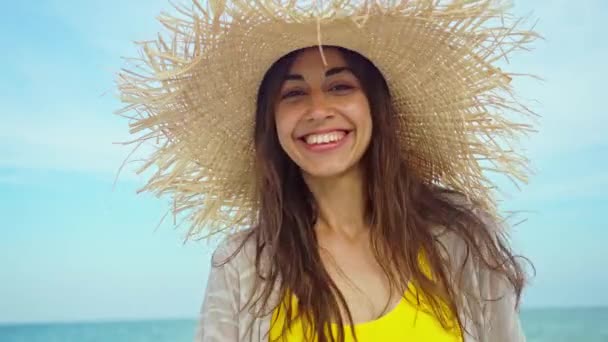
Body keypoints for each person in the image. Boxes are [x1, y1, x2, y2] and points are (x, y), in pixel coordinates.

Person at [116, 1, 540, 341]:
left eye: (340, 86)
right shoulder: (242, 265)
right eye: (294, 93)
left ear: (376, 106)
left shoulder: (458, 239)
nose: (318, 110)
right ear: (273, 122)